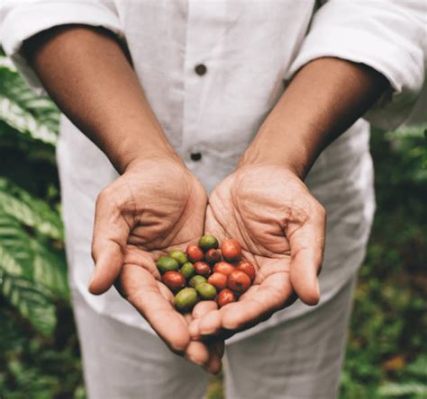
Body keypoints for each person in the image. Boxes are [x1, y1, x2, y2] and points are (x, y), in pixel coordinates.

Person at [1, 1, 425, 398]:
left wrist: (278, 158)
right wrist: (142, 156)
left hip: (307, 196)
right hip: (119, 201)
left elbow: (388, 8)